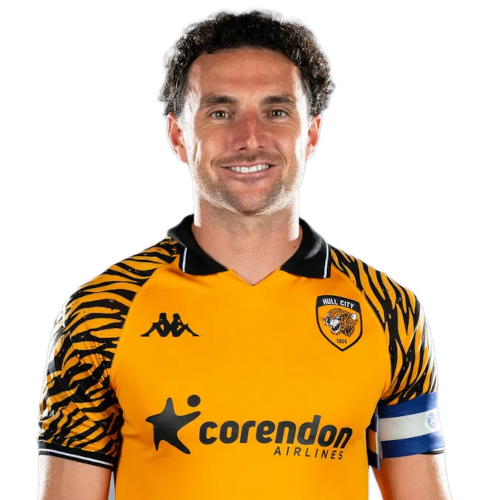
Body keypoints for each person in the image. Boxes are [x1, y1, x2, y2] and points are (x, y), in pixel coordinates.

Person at [36, 6, 453, 500]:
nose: (249, 139)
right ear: (177, 135)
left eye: (276, 112)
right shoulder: (102, 311)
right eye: (221, 112)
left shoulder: (391, 311)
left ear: (312, 132)